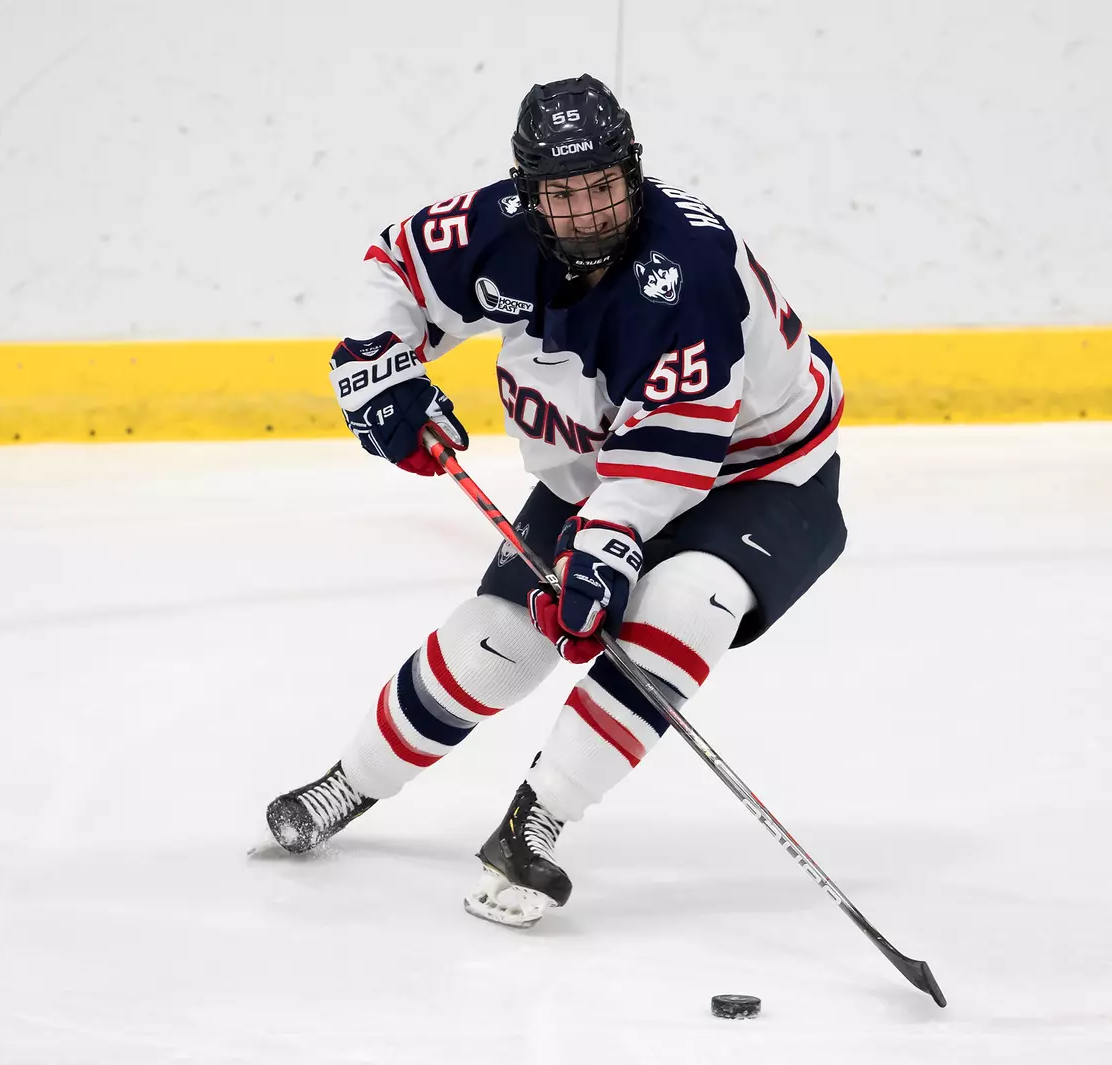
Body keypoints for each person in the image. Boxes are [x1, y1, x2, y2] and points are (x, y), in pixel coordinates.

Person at [266, 74, 847, 928]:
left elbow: (669, 456)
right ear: (526, 189)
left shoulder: (687, 269)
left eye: (604, 187)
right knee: (498, 640)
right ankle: (347, 784)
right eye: (563, 194)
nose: (588, 213)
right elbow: (396, 264)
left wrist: (606, 545)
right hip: (601, 464)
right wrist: (377, 361)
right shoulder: (492, 230)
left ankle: (536, 822)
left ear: (633, 175)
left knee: (682, 607)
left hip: (763, 471)